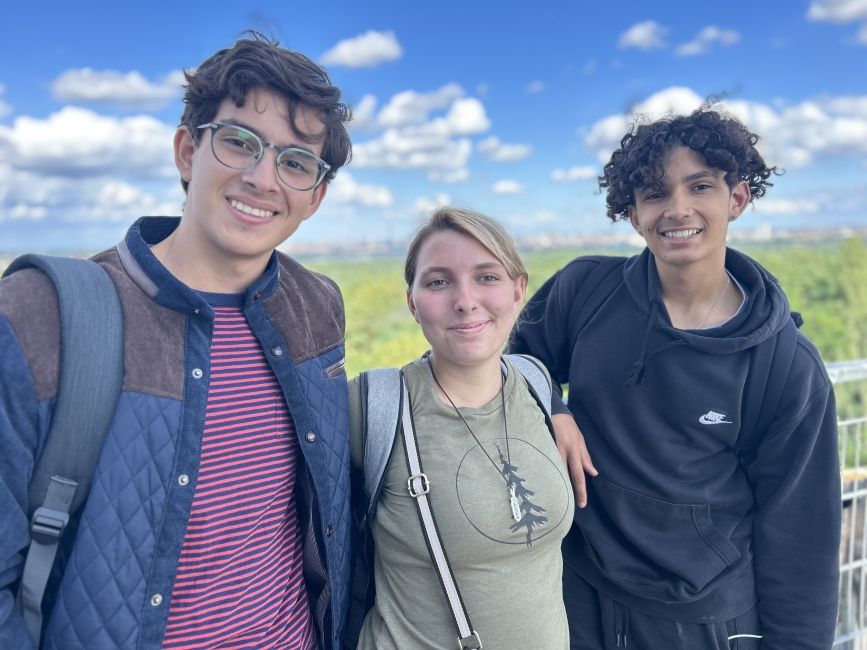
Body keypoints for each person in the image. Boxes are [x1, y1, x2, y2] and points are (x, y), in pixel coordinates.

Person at [0, 34, 352, 649]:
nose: (263, 177)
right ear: (188, 151)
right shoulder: (43, 314)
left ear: (315, 197)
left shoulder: (316, 309)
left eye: (296, 162)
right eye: (240, 142)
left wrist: (544, 403)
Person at [511, 108, 841, 649]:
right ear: (634, 212)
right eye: (655, 193)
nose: (677, 209)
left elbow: (802, 542)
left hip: (704, 624)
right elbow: (517, 360)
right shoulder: (585, 293)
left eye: (701, 186)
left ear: (737, 199)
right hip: (576, 598)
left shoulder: (786, 367)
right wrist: (553, 404)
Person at [347, 208, 575, 649]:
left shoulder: (535, 382)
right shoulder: (371, 406)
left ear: (518, 290)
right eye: (438, 282)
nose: (465, 300)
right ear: (413, 302)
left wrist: (561, 411)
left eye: (487, 277)